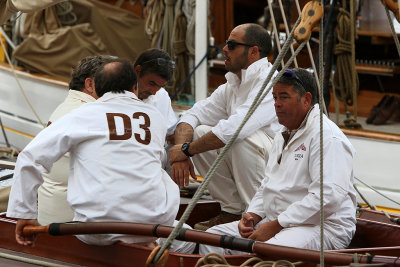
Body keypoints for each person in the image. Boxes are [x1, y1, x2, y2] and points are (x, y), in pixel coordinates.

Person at [6, 58, 186, 249]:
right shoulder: (155, 118)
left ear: (96, 89)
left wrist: (24, 215)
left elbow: (30, 157)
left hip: (95, 229)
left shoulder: (83, 114)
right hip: (151, 225)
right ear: (134, 87)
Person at [199, 68, 357, 254]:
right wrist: (253, 214)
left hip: (324, 227)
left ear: (306, 99)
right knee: (211, 239)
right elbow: (268, 184)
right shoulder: (283, 135)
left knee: (268, 250)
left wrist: (277, 224)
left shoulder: (328, 138)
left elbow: (326, 198)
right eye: (274, 98)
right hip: (280, 222)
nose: (277, 104)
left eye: (284, 97)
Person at [169, 23, 281, 230]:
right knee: (200, 132)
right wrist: (181, 150)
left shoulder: (270, 82)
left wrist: (185, 151)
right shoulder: (232, 86)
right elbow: (193, 115)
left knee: (241, 136)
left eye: (231, 44)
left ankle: (257, 216)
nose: (224, 49)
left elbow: (235, 129)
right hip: (261, 159)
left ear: (253, 52)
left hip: (280, 168)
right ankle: (232, 211)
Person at [38, 55, 116, 225]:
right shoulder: (90, 115)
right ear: (90, 84)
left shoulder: (66, 108)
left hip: (53, 217)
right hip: (74, 224)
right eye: (113, 84)